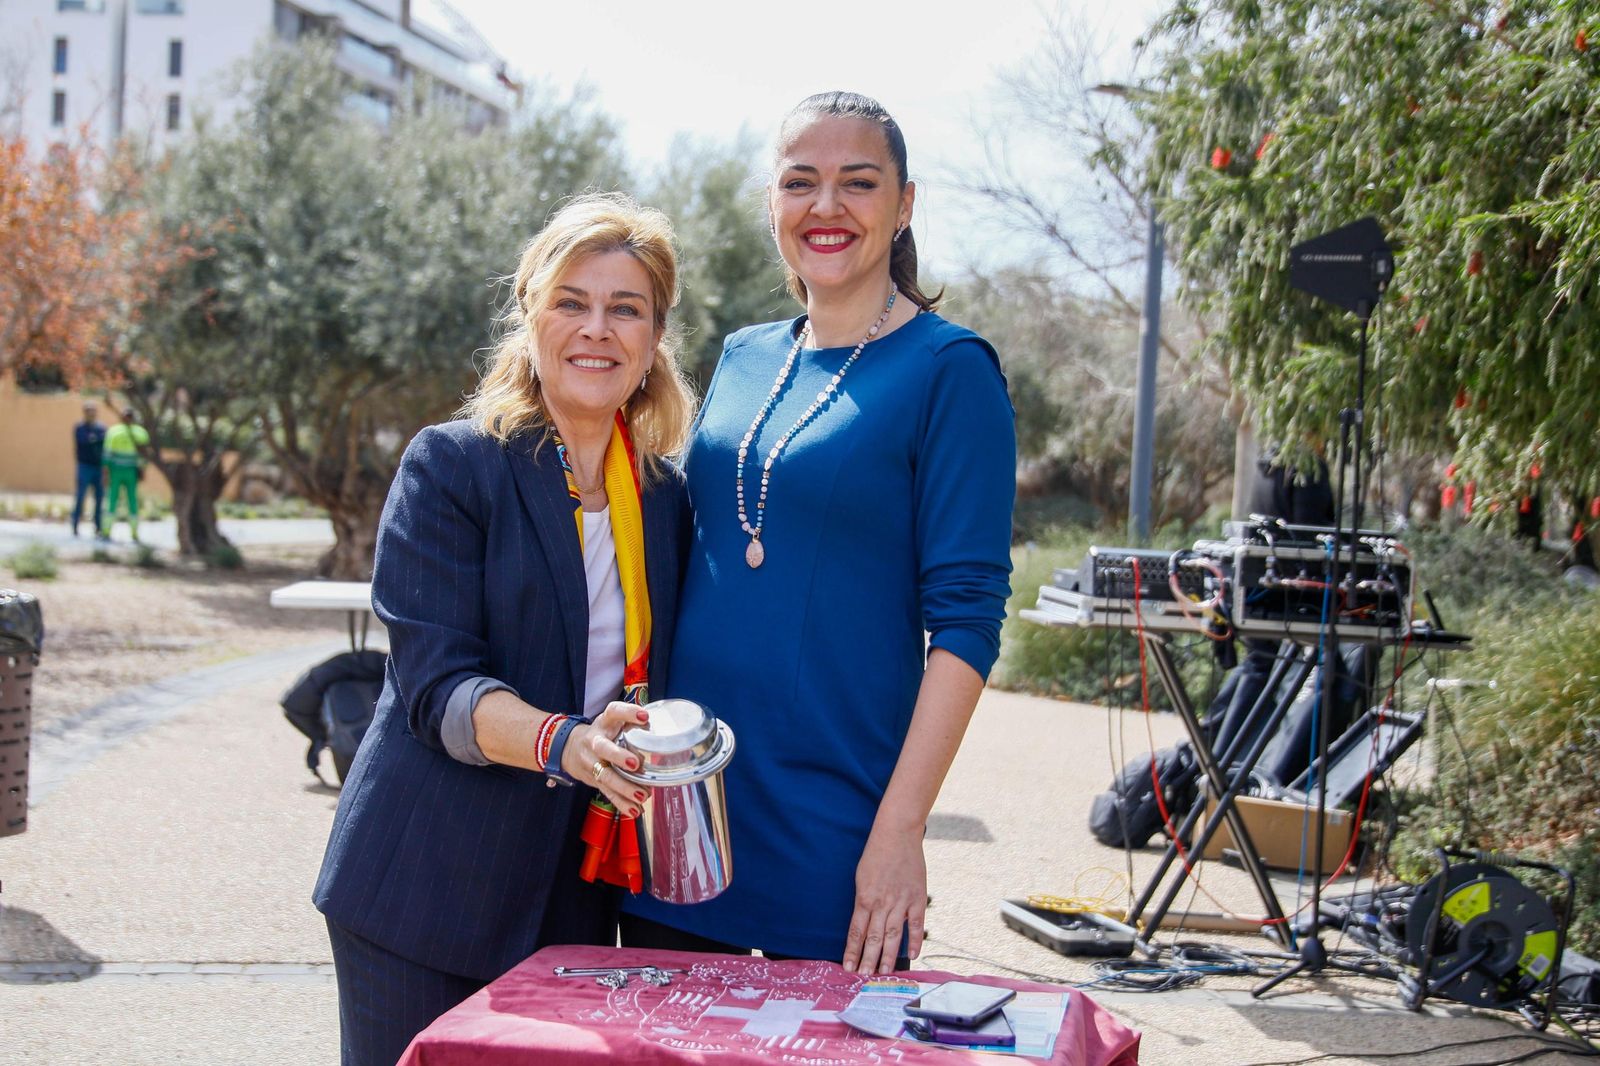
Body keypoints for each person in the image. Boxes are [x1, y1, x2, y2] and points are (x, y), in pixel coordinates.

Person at [619, 92, 1016, 975]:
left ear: (904, 204)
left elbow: (967, 624)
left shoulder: (952, 372)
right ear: (773, 203)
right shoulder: (744, 355)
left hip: (838, 831)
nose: (825, 206)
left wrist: (901, 832)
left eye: (858, 183)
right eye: (800, 182)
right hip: (685, 807)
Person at [312, 193, 696, 1066]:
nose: (596, 329)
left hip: (570, 898)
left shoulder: (664, 500)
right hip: (423, 886)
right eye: (571, 302)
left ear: (654, 338)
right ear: (531, 317)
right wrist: (567, 742)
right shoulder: (452, 466)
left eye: (625, 309)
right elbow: (438, 688)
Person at [99, 407, 149, 542]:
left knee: (131, 501)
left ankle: (133, 532)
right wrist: (105, 473)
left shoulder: (138, 433)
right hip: (117, 472)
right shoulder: (116, 432)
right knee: (113, 501)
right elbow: (107, 454)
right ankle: (107, 531)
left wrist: (143, 470)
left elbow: (143, 455)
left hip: (128, 472)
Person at [69, 402, 106, 538]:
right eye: (88, 411)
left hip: (98, 467)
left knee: (99, 498)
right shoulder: (79, 427)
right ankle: (75, 525)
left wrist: (95, 440)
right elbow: (84, 441)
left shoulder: (101, 428)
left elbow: (103, 443)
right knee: (80, 496)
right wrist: (95, 440)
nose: (91, 414)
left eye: (93, 411)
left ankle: (98, 527)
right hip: (84, 466)